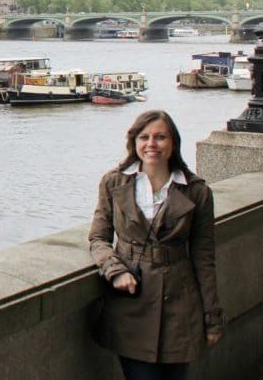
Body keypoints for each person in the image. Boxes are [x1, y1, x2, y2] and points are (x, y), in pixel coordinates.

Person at [88, 110, 224, 379]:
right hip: (131, 304)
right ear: (134, 142)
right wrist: (116, 270)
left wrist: (212, 318)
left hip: (181, 307)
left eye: (161, 137)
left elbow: (204, 257)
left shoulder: (196, 191)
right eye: (144, 137)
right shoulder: (114, 183)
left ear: (173, 143)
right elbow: (98, 239)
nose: (152, 144)